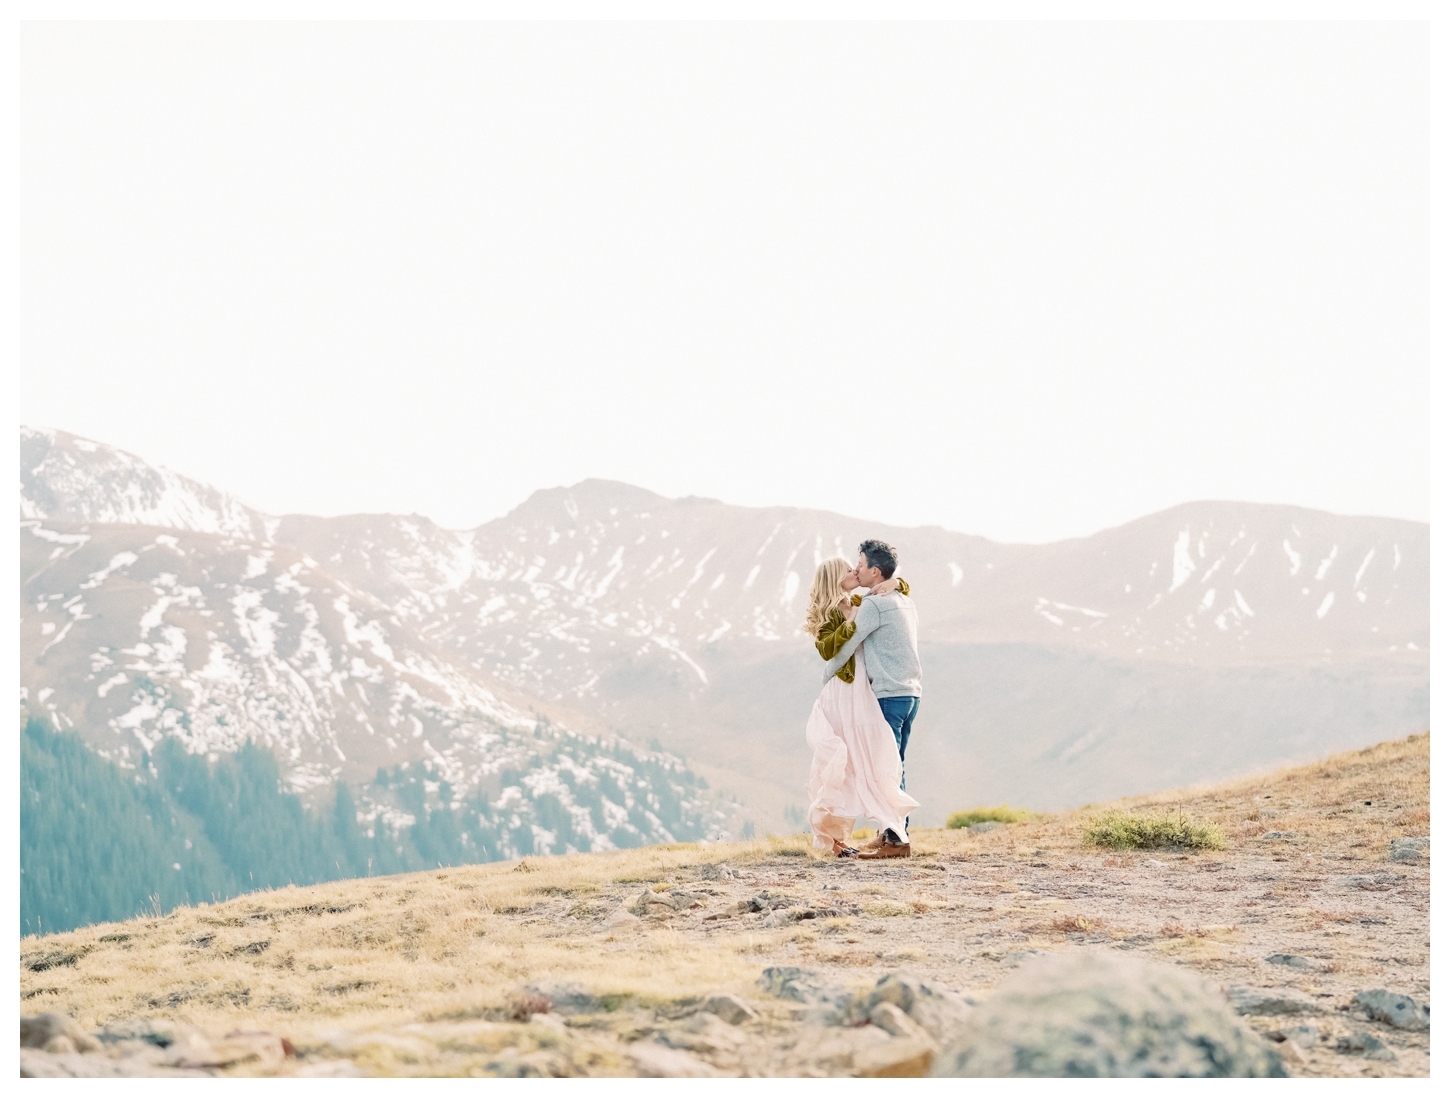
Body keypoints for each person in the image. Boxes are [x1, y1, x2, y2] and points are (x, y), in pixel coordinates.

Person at [802, 556, 919, 858]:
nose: (855, 571)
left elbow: (890, 591)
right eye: (848, 570)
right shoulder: (828, 612)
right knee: (841, 762)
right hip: (843, 693)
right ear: (834, 580)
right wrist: (851, 623)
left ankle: (891, 830)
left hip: (862, 692)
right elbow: (828, 649)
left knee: (873, 758)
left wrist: (896, 582)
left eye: (856, 567)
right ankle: (837, 839)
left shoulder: (860, 599)